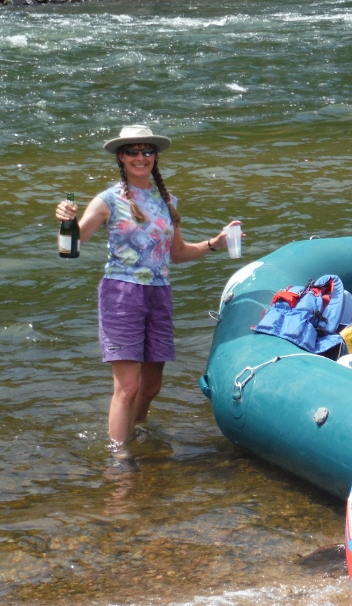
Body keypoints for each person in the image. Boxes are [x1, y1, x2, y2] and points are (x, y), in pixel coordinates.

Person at [55, 124, 241, 457]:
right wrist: (65, 221)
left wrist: (215, 243)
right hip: (121, 294)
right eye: (132, 151)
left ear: (155, 156)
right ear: (121, 157)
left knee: (151, 386)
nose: (140, 157)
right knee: (127, 388)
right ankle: (120, 458)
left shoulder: (167, 200)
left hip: (159, 294)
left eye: (147, 151)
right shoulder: (107, 200)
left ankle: (134, 433)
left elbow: (177, 254)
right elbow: (70, 247)